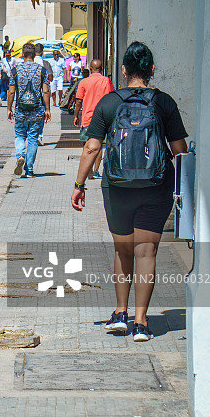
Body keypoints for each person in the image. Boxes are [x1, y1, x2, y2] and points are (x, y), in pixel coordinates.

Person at [72, 42, 188, 342]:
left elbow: (92, 147)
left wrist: (79, 185)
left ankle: (120, 313)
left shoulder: (109, 103)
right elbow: (179, 150)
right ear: (151, 70)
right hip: (156, 186)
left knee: (123, 251)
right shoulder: (164, 103)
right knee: (146, 252)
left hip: (117, 187)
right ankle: (141, 322)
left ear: (123, 71)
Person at [7, 43, 51, 177]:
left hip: (21, 110)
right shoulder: (42, 70)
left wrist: (9, 109)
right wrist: (47, 109)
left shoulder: (16, 70)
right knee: (32, 139)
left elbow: (11, 92)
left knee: (20, 136)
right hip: (37, 111)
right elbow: (45, 91)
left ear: (22, 55)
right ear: (35, 55)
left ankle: (20, 155)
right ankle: (30, 170)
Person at [73, 58, 115, 178]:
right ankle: (96, 171)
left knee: (86, 145)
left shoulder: (84, 82)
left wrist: (76, 116)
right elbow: (112, 98)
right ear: (102, 69)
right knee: (99, 145)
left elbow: (78, 102)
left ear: (90, 68)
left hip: (87, 117)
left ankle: (88, 168)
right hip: (103, 118)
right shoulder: (106, 81)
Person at [33, 43, 53, 145]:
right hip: (42, 93)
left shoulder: (29, 63)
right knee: (41, 114)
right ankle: (39, 135)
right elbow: (50, 78)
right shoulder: (45, 63)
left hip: (31, 94)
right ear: (42, 52)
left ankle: (32, 134)